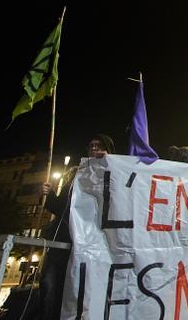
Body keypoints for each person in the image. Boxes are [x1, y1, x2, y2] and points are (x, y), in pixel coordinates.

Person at [38, 134, 115, 320]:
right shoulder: (77, 174)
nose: (94, 148)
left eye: (99, 146)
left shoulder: (115, 175)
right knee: (50, 288)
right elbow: (61, 208)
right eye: (91, 145)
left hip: (92, 249)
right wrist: (48, 196)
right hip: (63, 243)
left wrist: (110, 162)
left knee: (80, 294)